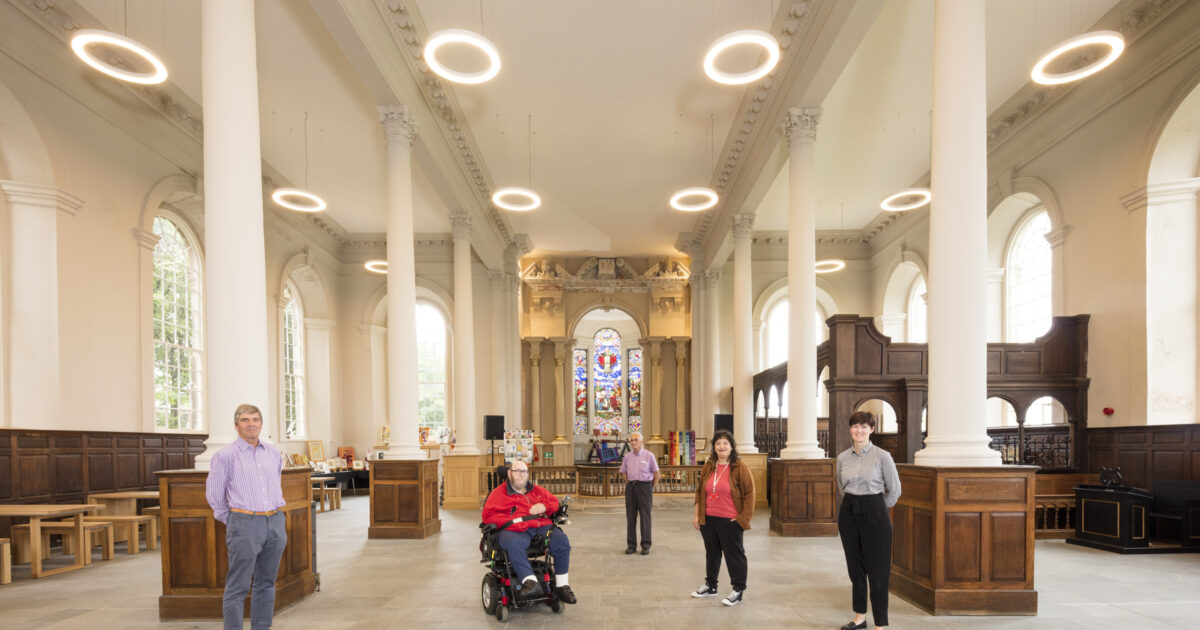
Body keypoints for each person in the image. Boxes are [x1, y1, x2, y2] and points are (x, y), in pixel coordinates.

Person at [205, 404, 288, 630]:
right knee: (238, 586)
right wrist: (235, 521)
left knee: (266, 582)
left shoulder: (272, 453)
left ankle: (261, 627)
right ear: (236, 425)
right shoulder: (225, 456)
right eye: (245, 420)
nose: (251, 424)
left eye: (255, 419)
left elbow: (276, 485)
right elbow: (214, 496)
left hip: (275, 522)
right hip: (244, 524)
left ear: (261, 424)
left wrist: (275, 519)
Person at [836, 411, 902, 630]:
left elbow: (894, 490)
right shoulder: (842, 458)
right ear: (850, 429)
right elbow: (841, 487)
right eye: (855, 426)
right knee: (855, 568)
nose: (859, 430)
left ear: (871, 429)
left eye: (864, 426)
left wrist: (877, 510)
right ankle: (860, 617)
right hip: (849, 511)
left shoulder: (882, 456)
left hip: (875, 511)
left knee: (878, 569)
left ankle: (880, 624)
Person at [481, 460, 577, 604]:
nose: (521, 475)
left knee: (560, 540)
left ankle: (561, 585)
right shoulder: (498, 494)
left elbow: (555, 503)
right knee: (513, 543)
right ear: (509, 473)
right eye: (517, 471)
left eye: (524, 472)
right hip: (514, 531)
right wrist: (513, 522)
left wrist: (544, 506)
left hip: (539, 526)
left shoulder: (537, 490)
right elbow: (487, 516)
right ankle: (530, 582)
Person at [690, 429, 755, 607]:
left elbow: (750, 495)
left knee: (734, 555)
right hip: (709, 519)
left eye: (725, 443)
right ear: (714, 447)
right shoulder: (709, 466)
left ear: (732, 447)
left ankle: (738, 590)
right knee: (712, 553)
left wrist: (743, 519)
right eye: (718, 443)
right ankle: (711, 586)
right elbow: (699, 492)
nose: (722, 446)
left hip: (730, 520)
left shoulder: (740, 467)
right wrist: (697, 515)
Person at [619, 432, 659, 555]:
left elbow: (657, 473)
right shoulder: (627, 456)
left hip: (645, 487)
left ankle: (645, 545)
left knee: (645, 517)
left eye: (636, 440)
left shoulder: (649, 455)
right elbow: (624, 472)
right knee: (630, 517)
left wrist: (650, 486)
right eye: (631, 440)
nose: (633, 442)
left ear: (641, 441)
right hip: (631, 487)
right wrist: (629, 484)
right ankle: (631, 545)